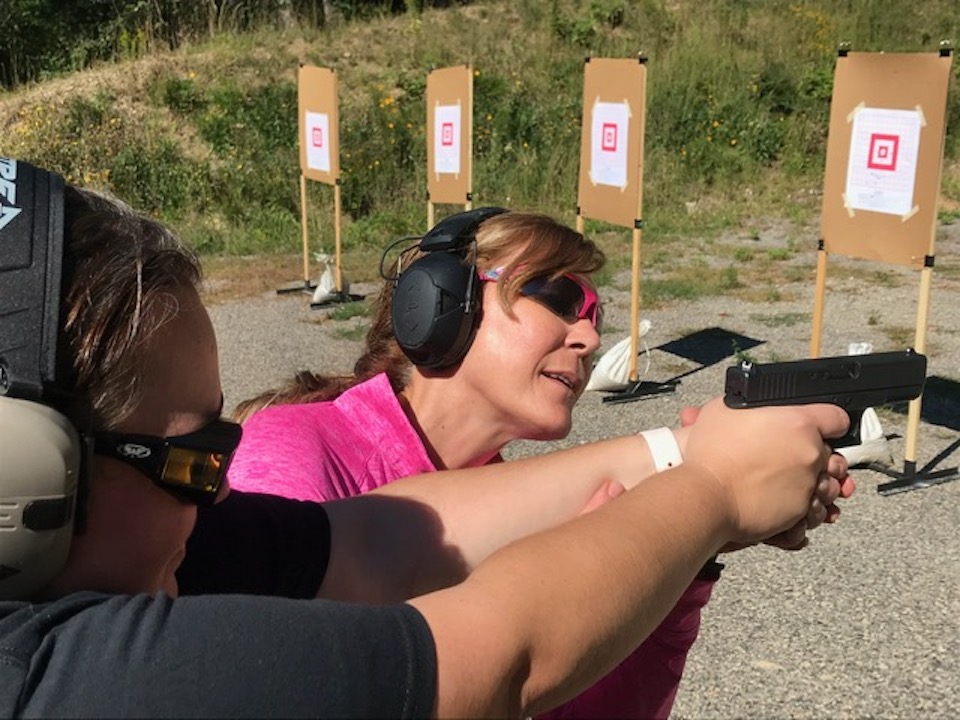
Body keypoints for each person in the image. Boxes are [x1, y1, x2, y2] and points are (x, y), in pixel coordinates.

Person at [0, 158, 853, 717]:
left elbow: (384, 537)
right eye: (189, 458)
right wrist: (705, 497)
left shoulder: (158, 559)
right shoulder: (63, 677)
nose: (223, 487)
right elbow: (499, 657)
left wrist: (684, 464)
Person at [220, 210, 823, 717]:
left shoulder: (533, 502)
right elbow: (289, 679)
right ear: (439, 302)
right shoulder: (291, 448)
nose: (588, 338)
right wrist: (699, 470)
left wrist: (687, 546)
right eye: (560, 298)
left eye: (595, 316)